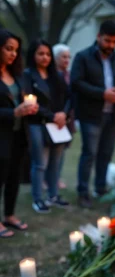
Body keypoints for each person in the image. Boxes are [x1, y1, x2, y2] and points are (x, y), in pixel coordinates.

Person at [71, 20, 115, 208]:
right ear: (98, 36)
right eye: (107, 41)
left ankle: (100, 188)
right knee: (89, 154)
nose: (111, 46)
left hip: (113, 115)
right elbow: (76, 82)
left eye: (114, 42)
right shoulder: (83, 57)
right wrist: (102, 93)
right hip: (91, 115)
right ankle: (83, 192)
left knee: (106, 153)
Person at [0, 29, 39, 237]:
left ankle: (9, 215)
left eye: (15, 50)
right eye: (8, 49)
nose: (13, 54)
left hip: (18, 134)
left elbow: (20, 99)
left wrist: (28, 107)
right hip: (2, 134)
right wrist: (13, 112)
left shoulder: (16, 75)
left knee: (14, 175)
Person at [25, 39, 70, 213]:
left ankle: (53, 195)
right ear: (33, 55)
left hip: (57, 125)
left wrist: (64, 114)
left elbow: (69, 97)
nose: (45, 57)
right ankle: (38, 199)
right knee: (40, 163)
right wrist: (53, 116)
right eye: (40, 54)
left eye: (48, 54)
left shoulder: (56, 76)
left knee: (55, 162)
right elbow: (29, 101)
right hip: (37, 123)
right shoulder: (28, 75)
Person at [53, 43, 75, 189]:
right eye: (63, 57)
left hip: (68, 118)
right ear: (55, 58)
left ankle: (56, 178)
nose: (67, 60)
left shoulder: (70, 75)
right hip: (54, 117)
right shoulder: (53, 76)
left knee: (62, 150)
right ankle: (50, 179)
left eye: (68, 57)